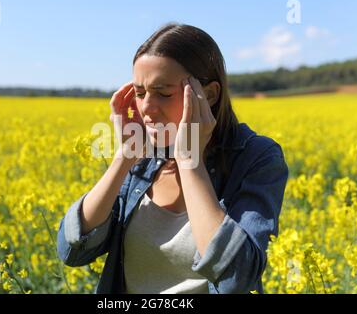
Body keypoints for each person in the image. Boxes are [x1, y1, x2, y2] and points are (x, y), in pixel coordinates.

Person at [57, 22, 289, 294]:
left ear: (210, 94)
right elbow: (72, 251)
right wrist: (124, 158)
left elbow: (236, 278)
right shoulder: (143, 159)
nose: (146, 108)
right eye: (140, 93)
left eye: (163, 93)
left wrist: (190, 162)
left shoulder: (256, 157)